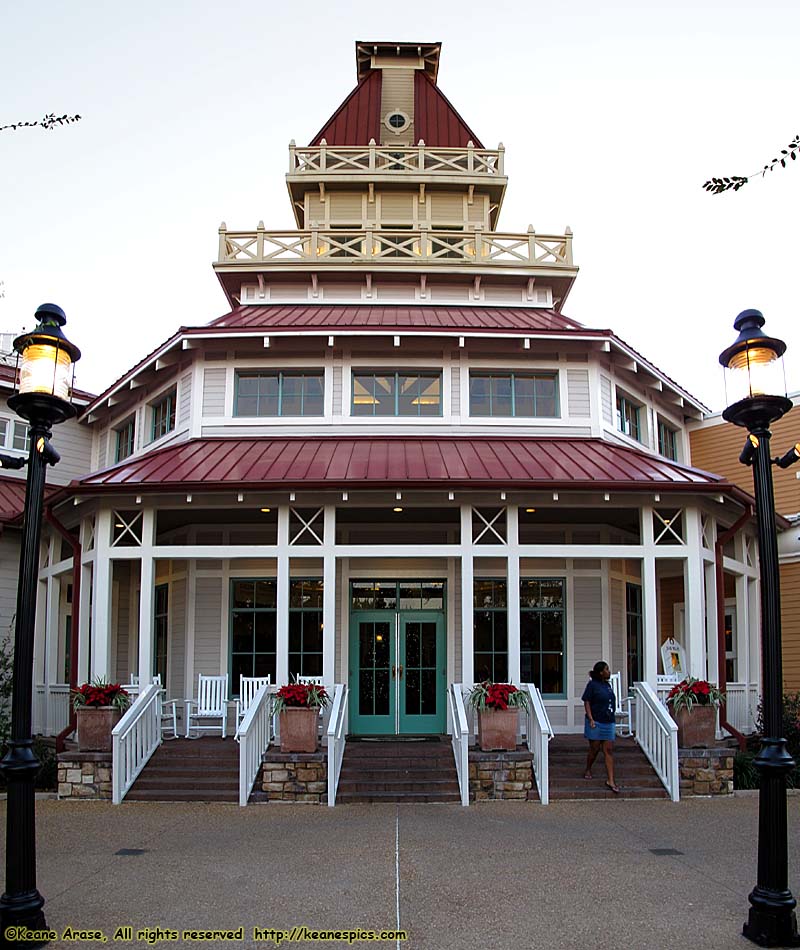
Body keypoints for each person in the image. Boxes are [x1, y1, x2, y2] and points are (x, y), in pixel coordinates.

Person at [581, 661, 620, 793]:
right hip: (595, 721)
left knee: (608, 750)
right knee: (595, 748)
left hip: (608, 721)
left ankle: (611, 780)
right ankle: (588, 768)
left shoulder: (607, 686)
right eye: (607, 669)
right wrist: (591, 718)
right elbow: (587, 702)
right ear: (601, 672)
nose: (609, 671)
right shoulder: (592, 685)